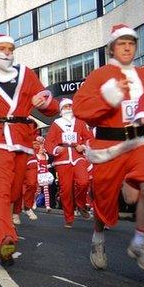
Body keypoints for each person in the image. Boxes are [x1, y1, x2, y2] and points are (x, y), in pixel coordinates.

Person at [73, 24, 144, 271]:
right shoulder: (100, 75)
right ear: (112, 48)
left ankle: (139, 241)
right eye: (121, 43)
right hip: (108, 143)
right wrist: (107, 98)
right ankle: (98, 237)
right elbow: (80, 108)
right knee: (104, 198)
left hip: (139, 139)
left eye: (131, 43)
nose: (126, 48)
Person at [0, 33, 59, 266]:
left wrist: (45, 101)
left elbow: (52, 107)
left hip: (21, 139)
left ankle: (5, 226)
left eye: (11, 48)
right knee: (0, 190)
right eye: (2, 48)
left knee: (15, 192)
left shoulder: (26, 74)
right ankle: (5, 238)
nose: (7, 52)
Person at [44, 98, 92, 228]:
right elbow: (48, 142)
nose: (68, 108)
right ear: (61, 110)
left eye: (70, 105)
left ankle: (81, 204)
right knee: (66, 190)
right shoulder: (56, 123)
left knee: (84, 181)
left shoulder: (80, 122)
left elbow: (89, 138)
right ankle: (69, 218)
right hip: (62, 159)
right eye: (65, 106)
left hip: (78, 156)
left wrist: (83, 146)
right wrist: (55, 149)